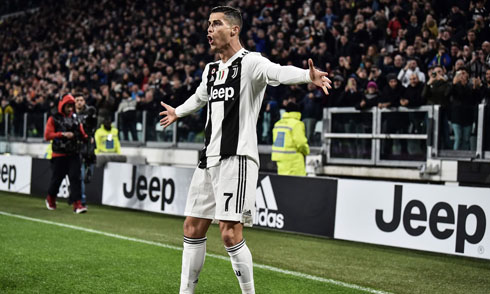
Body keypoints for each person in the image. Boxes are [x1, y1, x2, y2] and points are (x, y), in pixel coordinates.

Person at [158, 6, 331, 294]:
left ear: (234, 29)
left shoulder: (251, 63)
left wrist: (305, 76)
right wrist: (178, 111)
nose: (209, 30)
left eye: (216, 24)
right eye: (208, 25)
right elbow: (200, 97)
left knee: (229, 232)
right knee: (192, 227)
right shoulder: (211, 70)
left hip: (236, 159)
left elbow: (277, 72)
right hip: (208, 159)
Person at [44, 94, 88, 213]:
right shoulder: (54, 118)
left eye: (71, 106)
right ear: (62, 105)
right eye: (67, 106)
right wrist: (62, 135)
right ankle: (51, 198)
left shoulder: (75, 118)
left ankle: (77, 204)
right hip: (59, 155)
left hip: (73, 153)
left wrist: (86, 138)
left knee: (75, 178)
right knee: (57, 180)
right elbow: (47, 135)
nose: (70, 109)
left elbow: (82, 132)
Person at [271, 102, 310, 176]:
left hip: (280, 160)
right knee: (296, 185)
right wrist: (307, 151)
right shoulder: (297, 124)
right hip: (294, 162)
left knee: (283, 185)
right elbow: (301, 143)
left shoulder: (278, 124)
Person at [74, 93, 97, 205]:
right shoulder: (71, 115)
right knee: (80, 175)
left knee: (89, 176)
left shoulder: (90, 112)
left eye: (81, 100)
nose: (79, 102)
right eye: (77, 100)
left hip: (89, 147)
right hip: (77, 148)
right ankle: (81, 200)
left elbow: (94, 125)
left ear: (84, 102)